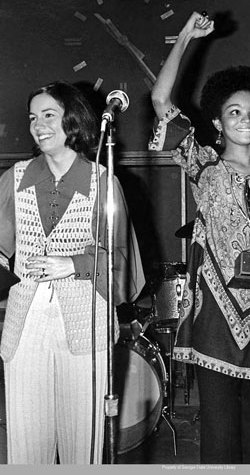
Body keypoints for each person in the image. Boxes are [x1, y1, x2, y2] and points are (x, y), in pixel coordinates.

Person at [149, 12, 250, 464]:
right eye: (234, 112)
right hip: (217, 317)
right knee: (220, 433)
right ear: (218, 123)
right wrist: (186, 37)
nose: (246, 119)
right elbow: (161, 99)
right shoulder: (205, 166)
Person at [0, 81, 145, 464]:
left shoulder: (102, 181)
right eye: (33, 117)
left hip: (87, 320)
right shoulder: (15, 178)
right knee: (26, 439)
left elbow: (122, 259)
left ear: (74, 121)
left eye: (49, 115)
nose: (38, 125)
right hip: (24, 322)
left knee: (85, 440)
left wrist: (75, 264)